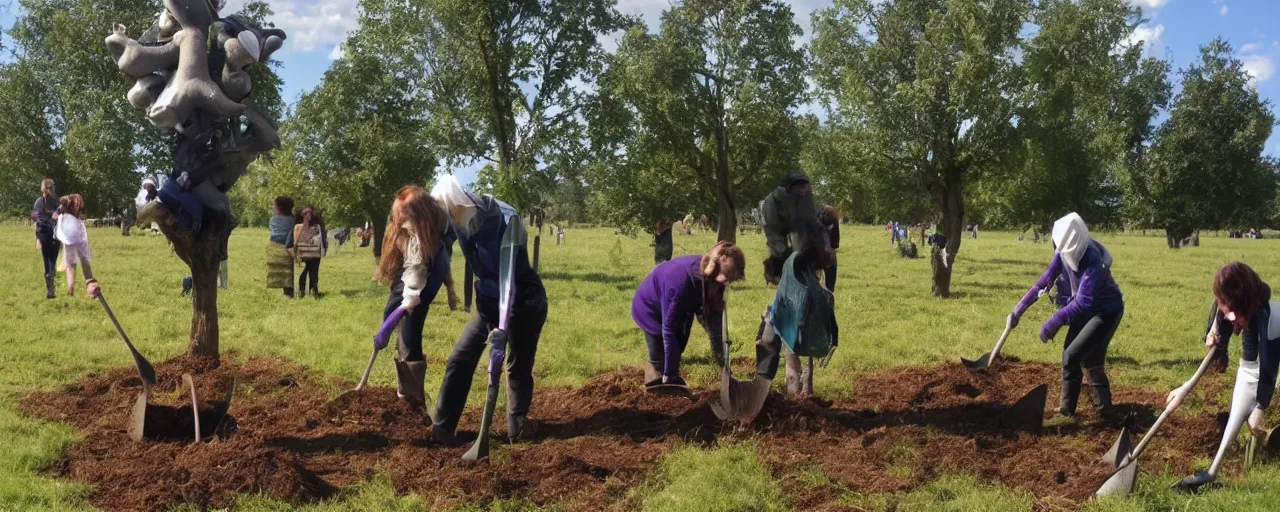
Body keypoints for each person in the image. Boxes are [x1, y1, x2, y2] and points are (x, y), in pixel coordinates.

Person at [429, 175, 548, 445]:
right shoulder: (457, 221)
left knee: (516, 366)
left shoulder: (500, 220)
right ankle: (442, 429)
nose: (444, 215)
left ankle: (517, 433)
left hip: (524, 300)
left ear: (455, 204)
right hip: (489, 302)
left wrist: (501, 329)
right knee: (460, 359)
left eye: (445, 209)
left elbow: (507, 276)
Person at [1171, 262, 1279, 491]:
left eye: (1232, 313)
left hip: (1260, 369)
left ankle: (1250, 459)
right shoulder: (1235, 305)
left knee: (1249, 414)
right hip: (1249, 364)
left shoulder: (1267, 321)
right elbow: (1220, 306)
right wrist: (1213, 331)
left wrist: (1260, 406)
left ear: (1243, 305)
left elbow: (1268, 370)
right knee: (1238, 415)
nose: (1228, 315)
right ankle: (1213, 472)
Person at [1010, 213, 1124, 417]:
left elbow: (1083, 302)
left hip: (1105, 311)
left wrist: (1052, 324)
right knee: (1070, 355)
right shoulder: (1062, 250)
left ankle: (1103, 412)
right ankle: (1068, 410)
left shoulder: (1092, 260)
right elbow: (1045, 280)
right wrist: (1018, 310)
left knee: (1080, 357)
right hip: (1084, 309)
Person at [376, 186, 452, 407]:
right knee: (393, 317)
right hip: (415, 275)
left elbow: (417, 265)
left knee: (409, 328)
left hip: (422, 278)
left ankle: (411, 398)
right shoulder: (420, 226)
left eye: (403, 214)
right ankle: (407, 390)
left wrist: (412, 294)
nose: (398, 219)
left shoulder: (425, 234)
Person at [632, 242, 746, 391]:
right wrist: (671, 375)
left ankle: (668, 377)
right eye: (724, 279)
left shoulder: (711, 281)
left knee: (678, 345)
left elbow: (713, 319)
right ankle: (656, 380)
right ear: (714, 269)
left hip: (681, 302)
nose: (725, 283)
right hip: (650, 307)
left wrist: (722, 360)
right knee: (660, 356)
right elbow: (669, 328)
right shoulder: (681, 282)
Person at [760, 172, 819, 286]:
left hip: (794, 224)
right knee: (779, 249)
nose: (802, 190)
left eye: (804, 186)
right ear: (791, 188)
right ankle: (773, 275)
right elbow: (772, 226)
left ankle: (803, 274)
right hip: (774, 221)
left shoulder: (806, 198)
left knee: (802, 249)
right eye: (799, 187)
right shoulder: (774, 199)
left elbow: (810, 219)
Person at [54, 194, 96, 297]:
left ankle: (70, 291)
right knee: (84, 262)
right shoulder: (72, 213)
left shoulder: (64, 213)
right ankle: (89, 287)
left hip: (70, 238)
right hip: (79, 237)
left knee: (70, 265)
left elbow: (57, 221)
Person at [32, 179, 62, 299]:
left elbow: (35, 217)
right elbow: (61, 213)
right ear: (53, 188)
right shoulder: (56, 202)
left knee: (46, 258)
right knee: (53, 259)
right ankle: (52, 275)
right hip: (55, 233)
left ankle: (50, 289)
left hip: (43, 233)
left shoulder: (38, 202)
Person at [292, 208, 326, 299]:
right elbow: (321, 241)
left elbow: (296, 242)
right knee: (314, 272)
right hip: (315, 253)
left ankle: (302, 291)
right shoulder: (317, 227)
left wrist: (296, 254)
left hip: (304, 254)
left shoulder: (299, 227)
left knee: (305, 271)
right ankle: (314, 292)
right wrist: (323, 251)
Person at [266, 196, 296, 298]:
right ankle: (289, 290)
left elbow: (271, 229)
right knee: (289, 269)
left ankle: (286, 290)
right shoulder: (292, 219)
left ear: (278, 207)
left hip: (274, 245)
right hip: (288, 246)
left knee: (279, 270)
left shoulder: (273, 219)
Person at [819, 206, 840, 292]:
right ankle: (829, 296)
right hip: (828, 252)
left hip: (812, 252)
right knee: (830, 285)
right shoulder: (834, 220)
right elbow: (835, 243)